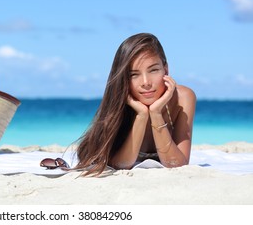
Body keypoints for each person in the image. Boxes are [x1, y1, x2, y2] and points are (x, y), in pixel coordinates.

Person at [75, 33, 196, 176]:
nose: (145, 82)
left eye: (153, 70)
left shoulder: (183, 98)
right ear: (124, 78)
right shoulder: (121, 104)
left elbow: (177, 165)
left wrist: (156, 114)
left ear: (166, 69)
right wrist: (142, 116)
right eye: (134, 74)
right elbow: (121, 165)